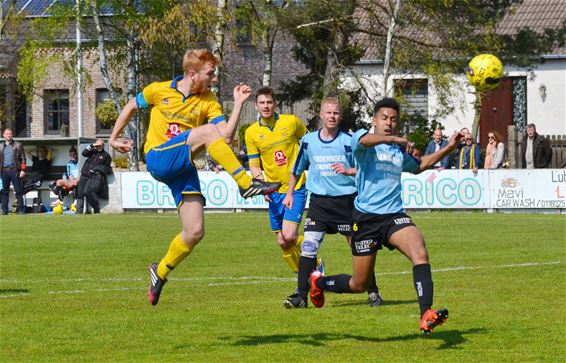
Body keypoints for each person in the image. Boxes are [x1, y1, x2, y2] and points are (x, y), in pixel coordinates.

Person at [109, 49, 279, 306]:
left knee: (195, 231)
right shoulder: (159, 90)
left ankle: (161, 271)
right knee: (207, 132)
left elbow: (225, 137)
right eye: (210, 73)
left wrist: (238, 105)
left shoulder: (208, 99)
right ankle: (245, 184)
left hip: (183, 166)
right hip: (158, 157)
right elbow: (131, 106)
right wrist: (113, 138)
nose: (213, 78)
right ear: (192, 73)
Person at [308, 98, 463, 334]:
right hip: (366, 219)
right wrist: (392, 138)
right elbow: (363, 140)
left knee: (419, 251)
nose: (389, 123)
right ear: (374, 120)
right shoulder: (362, 140)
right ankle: (318, 283)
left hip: (393, 217)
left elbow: (419, 165)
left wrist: (448, 148)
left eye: (393, 119)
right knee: (359, 284)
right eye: (384, 118)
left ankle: (426, 314)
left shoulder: (397, 151)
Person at [282, 97, 382, 309]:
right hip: (319, 204)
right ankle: (301, 296)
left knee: (359, 247)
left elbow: (365, 169)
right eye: (328, 113)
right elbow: (297, 169)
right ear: (321, 115)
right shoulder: (308, 141)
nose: (332, 116)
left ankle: (373, 292)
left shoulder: (349, 141)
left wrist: (349, 171)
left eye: (335, 113)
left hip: (346, 203)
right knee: (309, 247)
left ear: (340, 116)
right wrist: (289, 194)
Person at [245, 86, 307, 276]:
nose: (266, 106)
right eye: (262, 103)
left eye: (269, 102)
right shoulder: (251, 133)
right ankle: (305, 274)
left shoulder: (291, 122)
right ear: (256, 106)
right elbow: (255, 166)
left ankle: (312, 247)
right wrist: (263, 188)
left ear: (275, 103)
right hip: (273, 192)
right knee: (282, 241)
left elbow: (309, 142)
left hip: (295, 187)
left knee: (289, 235)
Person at [76, 139, 112, 214]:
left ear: (103, 145)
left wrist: (99, 170)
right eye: (97, 145)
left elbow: (108, 169)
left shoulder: (106, 156)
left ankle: (96, 207)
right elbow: (84, 153)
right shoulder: (92, 151)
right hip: (84, 174)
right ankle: (78, 212)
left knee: (87, 192)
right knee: (80, 193)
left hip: (93, 176)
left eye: (100, 145)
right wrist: (92, 146)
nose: (98, 146)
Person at [0, 128, 26, 215]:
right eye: (7, 134)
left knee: (18, 191)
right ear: (3, 135)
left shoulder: (18, 145)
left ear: (12, 135)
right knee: (4, 191)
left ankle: (21, 210)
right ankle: (4, 210)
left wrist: (23, 170)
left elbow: (23, 159)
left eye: (10, 134)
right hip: (4, 171)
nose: (9, 135)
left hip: (15, 171)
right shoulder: (0, 146)